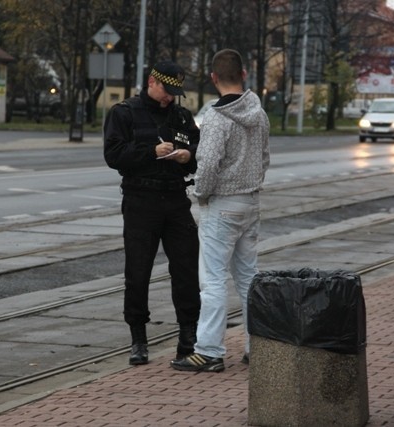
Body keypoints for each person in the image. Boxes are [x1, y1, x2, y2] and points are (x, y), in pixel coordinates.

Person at [171, 49, 270, 373]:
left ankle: (209, 351)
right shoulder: (260, 113)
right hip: (251, 203)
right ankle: (258, 345)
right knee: (247, 278)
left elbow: (209, 163)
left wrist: (199, 193)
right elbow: (265, 158)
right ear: (244, 75)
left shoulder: (216, 117)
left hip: (222, 206)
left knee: (212, 280)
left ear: (213, 78)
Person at [103, 61, 201, 366]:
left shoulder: (182, 116)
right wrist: (150, 152)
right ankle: (138, 339)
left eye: (174, 93)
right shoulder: (125, 113)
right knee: (138, 272)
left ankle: (188, 337)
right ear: (151, 82)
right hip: (140, 200)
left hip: (175, 199)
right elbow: (113, 154)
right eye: (166, 91)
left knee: (186, 270)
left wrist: (188, 156)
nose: (169, 97)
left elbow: (199, 150)